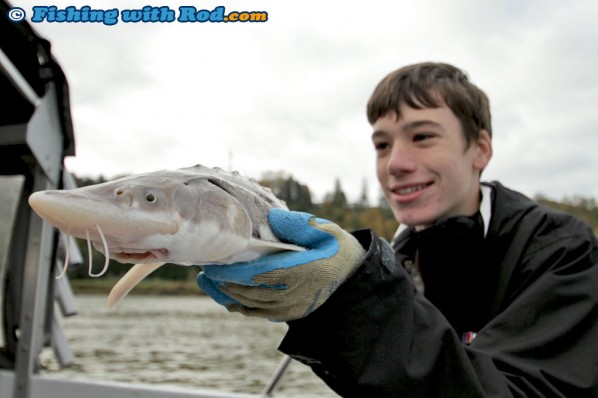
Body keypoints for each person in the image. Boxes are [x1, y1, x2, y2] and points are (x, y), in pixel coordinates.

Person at [197, 62, 598, 397]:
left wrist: (354, 299)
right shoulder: (395, 258)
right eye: (382, 145)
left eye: (422, 137)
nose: (395, 164)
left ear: (481, 149)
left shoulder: (561, 252)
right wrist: (323, 309)